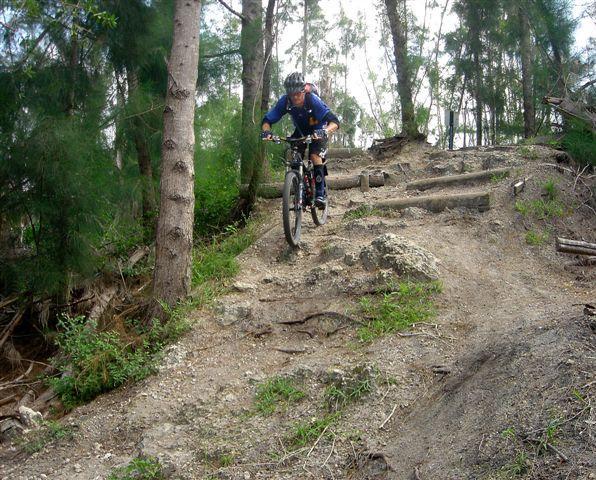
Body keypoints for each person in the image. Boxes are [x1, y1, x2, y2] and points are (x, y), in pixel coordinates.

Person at [261, 72, 340, 208]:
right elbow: (267, 120)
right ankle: (300, 190)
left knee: (314, 155)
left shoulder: (312, 100)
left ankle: (320, 193)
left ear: (303, 91)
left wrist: (325, 131)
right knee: (294, 154)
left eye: (298, 94)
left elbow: (334, 121)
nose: (295, 97)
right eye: (292, 95)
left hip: (318, 127)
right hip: (301, 130)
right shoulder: (285, 101)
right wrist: (266, 131)